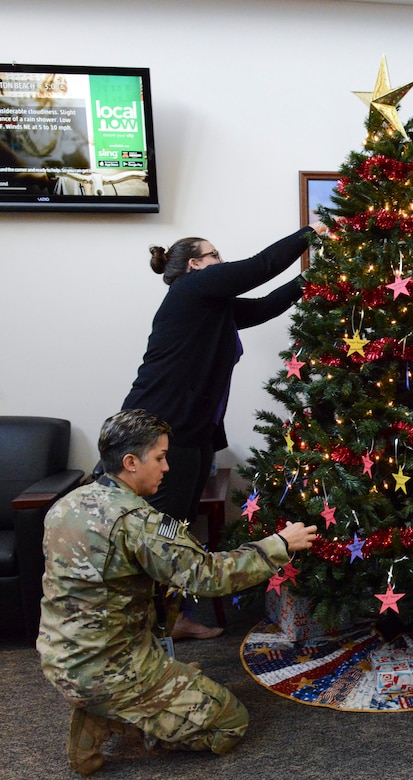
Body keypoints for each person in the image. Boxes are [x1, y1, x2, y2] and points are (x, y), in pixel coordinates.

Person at [37, 409, 318, 775]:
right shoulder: (138, 523)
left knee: (185, 671)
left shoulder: (66, 505)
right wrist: (279, 544)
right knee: (230, 723)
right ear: (130, 462)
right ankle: (114, 717)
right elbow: (209, 576)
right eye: (159, 457)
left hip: (59, 655)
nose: (166, 467)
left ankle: (110, 702)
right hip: (110, 668)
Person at [121, 222, 326, 640]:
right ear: (195, 264)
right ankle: (153, 622)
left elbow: (265, 306)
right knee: (163, 527)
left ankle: (171, 616)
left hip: (191, 432)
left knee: (176, 526)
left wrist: (309, 281)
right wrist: (311, 232)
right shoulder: (192, 289)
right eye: (214, 255)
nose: (222, 261)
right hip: (160, 430)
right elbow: (260, 267)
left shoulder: (212, 305)